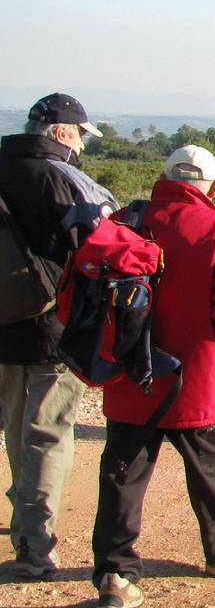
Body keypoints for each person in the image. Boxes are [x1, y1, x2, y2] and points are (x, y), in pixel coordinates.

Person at [90, 144, 215, 608]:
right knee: (206, 463)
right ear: (210, 186)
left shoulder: (125, 220)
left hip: (131, 371)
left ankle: (115, 576)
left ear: (164, 178)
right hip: (193, 369)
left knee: (123, 469)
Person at [0, 92, 116, 580]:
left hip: (4, 322)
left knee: (15, 426)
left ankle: (22, 519)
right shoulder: (64, 177)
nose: (82, 148)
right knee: (48, 432)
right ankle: (34, 542)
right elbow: (100, 246)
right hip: (54, 323)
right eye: (81, 137)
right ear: (63, 133)